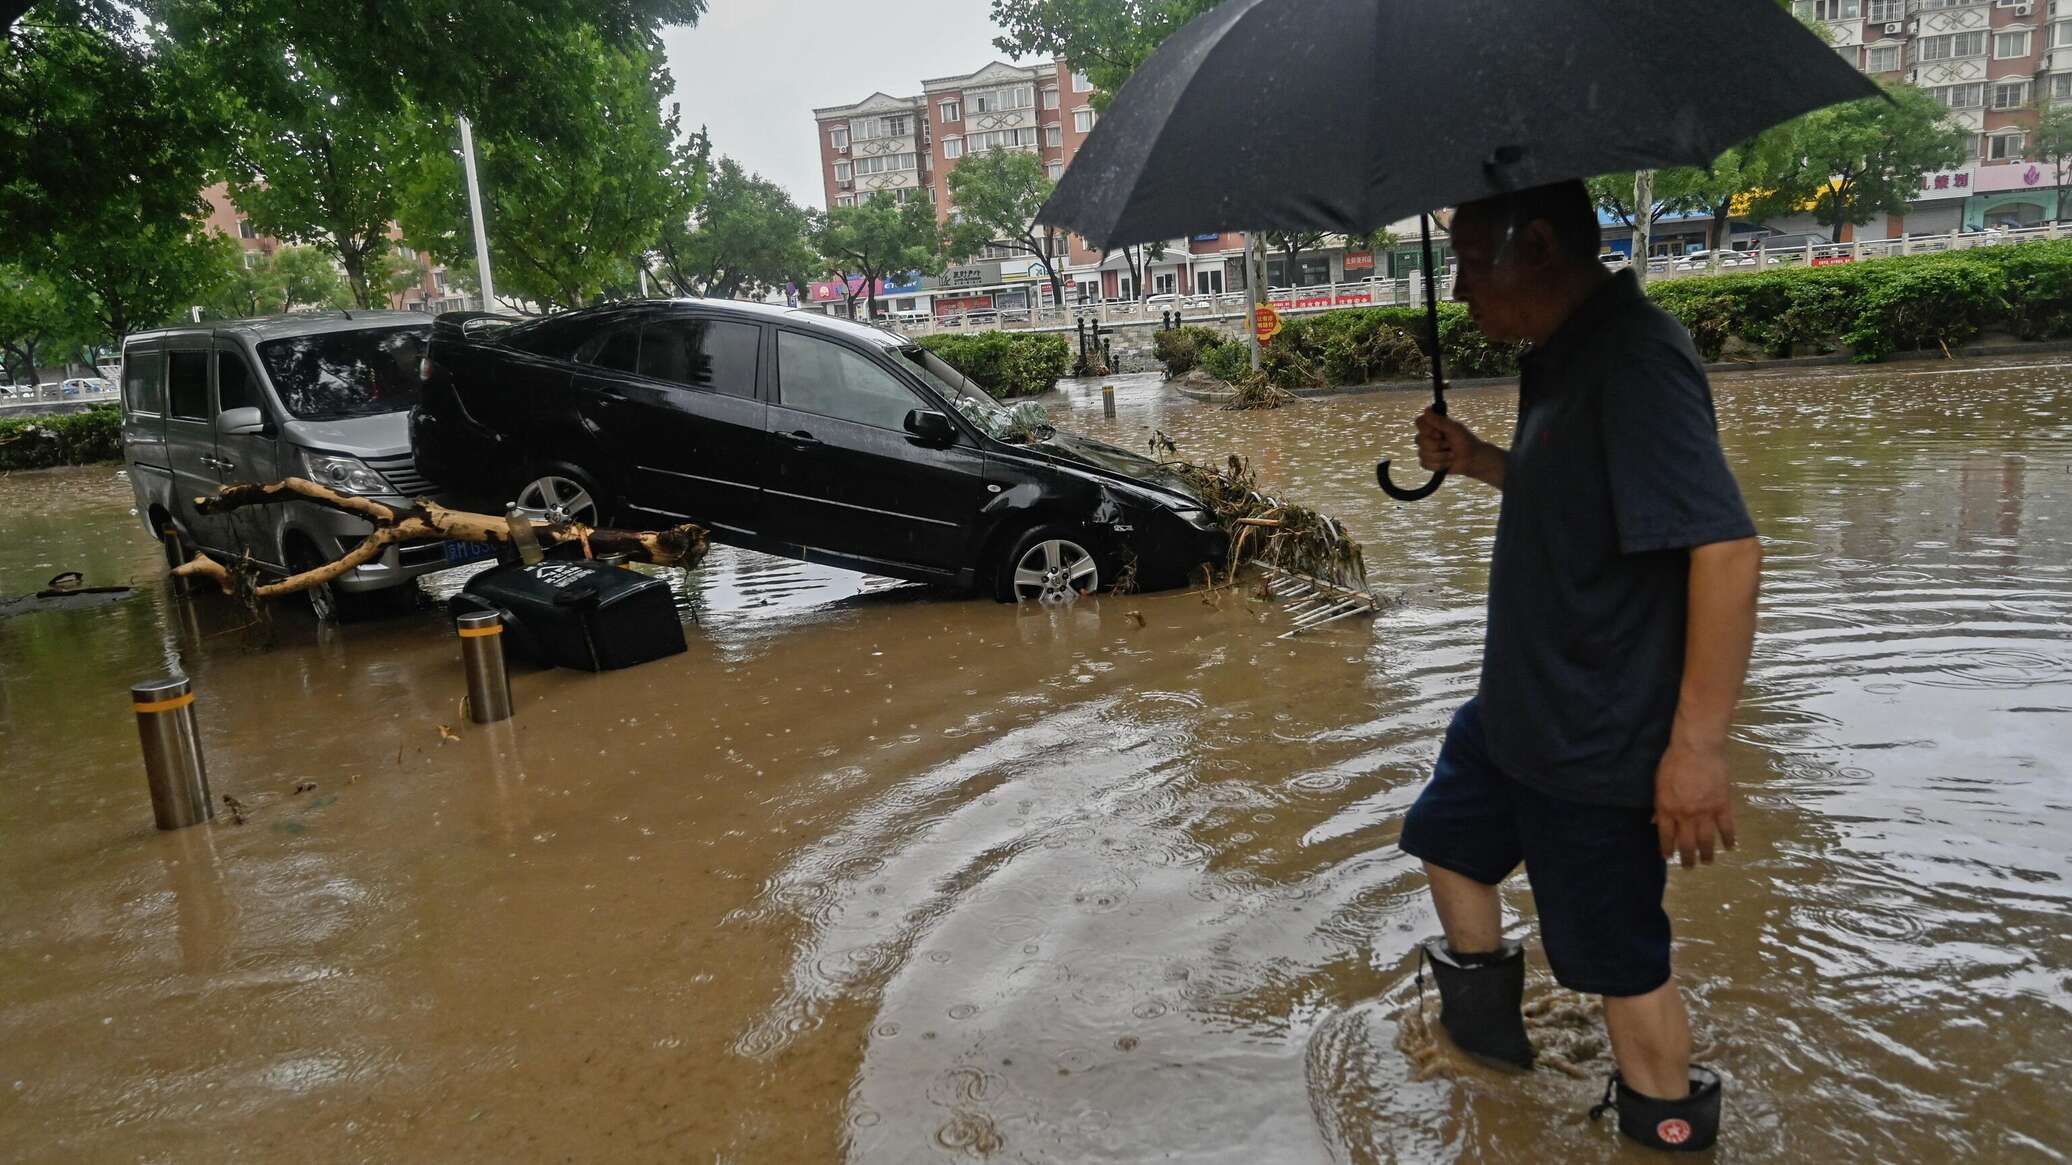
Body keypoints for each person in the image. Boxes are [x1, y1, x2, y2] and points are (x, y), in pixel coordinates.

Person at [1397, 179, 1761, 1153]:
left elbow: (1724, 549)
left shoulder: (1635, 358)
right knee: (1445, 839)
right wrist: (1479, 460)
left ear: (1541, 245)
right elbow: (1581, 494)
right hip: (1514, 711)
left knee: (1616, 961)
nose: (1461, 290)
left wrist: (1694, 747)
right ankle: (1490, 1064)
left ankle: (1665, 1131)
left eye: (1473, 261)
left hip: (1595, 733)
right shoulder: (1556, 356)